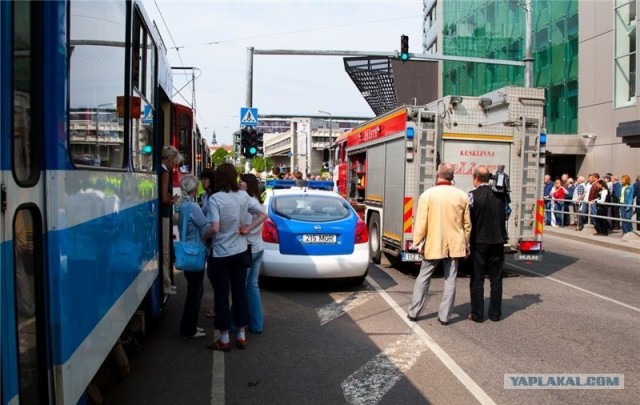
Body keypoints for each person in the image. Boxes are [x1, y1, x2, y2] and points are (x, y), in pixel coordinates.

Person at [206, 163, 267, 351]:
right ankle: (241, 336)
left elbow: (214, 228)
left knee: (222, 296)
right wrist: (247, 229)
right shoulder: (243, 196)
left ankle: (224, 339)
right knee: (240, 293)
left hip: (221, 253)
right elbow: (263, 214)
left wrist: (204, 237)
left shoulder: (215, 199)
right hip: (241, 252)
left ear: (219, 178)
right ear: (234, 178)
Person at [407, 163, 471, 326]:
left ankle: (414, 312)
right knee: (450, 280)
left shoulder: (427, 195)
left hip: (433, 243)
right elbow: (467, 225)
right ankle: (444, 316)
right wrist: (466, 243)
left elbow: (421, 222)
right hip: (454, 245)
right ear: (452, 177)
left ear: (438, 175)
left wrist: (418, 242)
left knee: (423, 277)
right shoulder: (462, 196)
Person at [467, 166, 506, 322]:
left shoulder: (472, 196)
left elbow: (468, 219)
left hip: (479, 242)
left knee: (477, 279)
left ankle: (477, 314)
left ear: (476, 178)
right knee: (496, 279)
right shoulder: (500, 195)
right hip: (497, 241)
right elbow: (507, 214)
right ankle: (495, 314)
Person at [177, 175, 214, 339]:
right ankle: (188, 329)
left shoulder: (182, 205)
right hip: (195, 252)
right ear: (194, 188)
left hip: (186, 252)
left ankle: (189, 327)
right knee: (195, 292)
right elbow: (205, 226)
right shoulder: (193, 207)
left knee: (193, 290)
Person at [239, 173, 265, 333]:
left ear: (248, 184)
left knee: (240, 287)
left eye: (242, 181)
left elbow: (245, 226)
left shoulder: (249, 203)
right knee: (252, 287)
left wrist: (245, 228)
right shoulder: (257, 200)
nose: (239, 183)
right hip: (258, 247)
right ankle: (256, 324)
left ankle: (238, 322)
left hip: (248, 248)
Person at [161, 146, 183, 295]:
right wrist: (173, 200)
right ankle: (166, 284)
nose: (174, 166)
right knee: (165, 251)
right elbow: (163, 198)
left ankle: (167, 282)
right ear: (169, 159)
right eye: (174, 163)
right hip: (164, 214)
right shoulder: (165, 173)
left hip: (162, 213)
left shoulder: (160, 169)